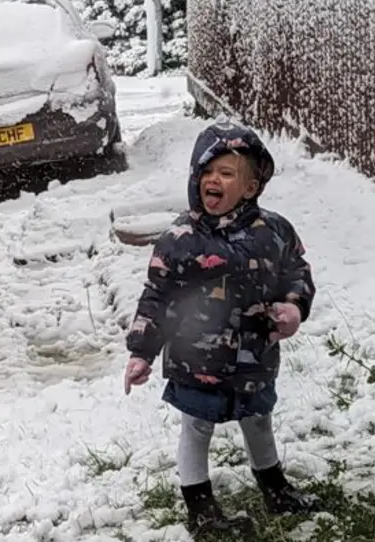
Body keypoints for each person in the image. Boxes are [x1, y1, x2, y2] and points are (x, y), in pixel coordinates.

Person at [123, 120, 317, 538]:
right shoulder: (180, 238)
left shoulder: (275, 232)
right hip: (196, 360)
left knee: (259, 419)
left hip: (255, 355)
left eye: (226, 173)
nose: (214, 179)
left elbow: (297, 274)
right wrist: (142, 351)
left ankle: (274, 487)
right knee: (196, 427)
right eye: (206, 171)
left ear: (250, 187)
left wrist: (294, 307)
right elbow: (155, 296)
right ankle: (200, 508)